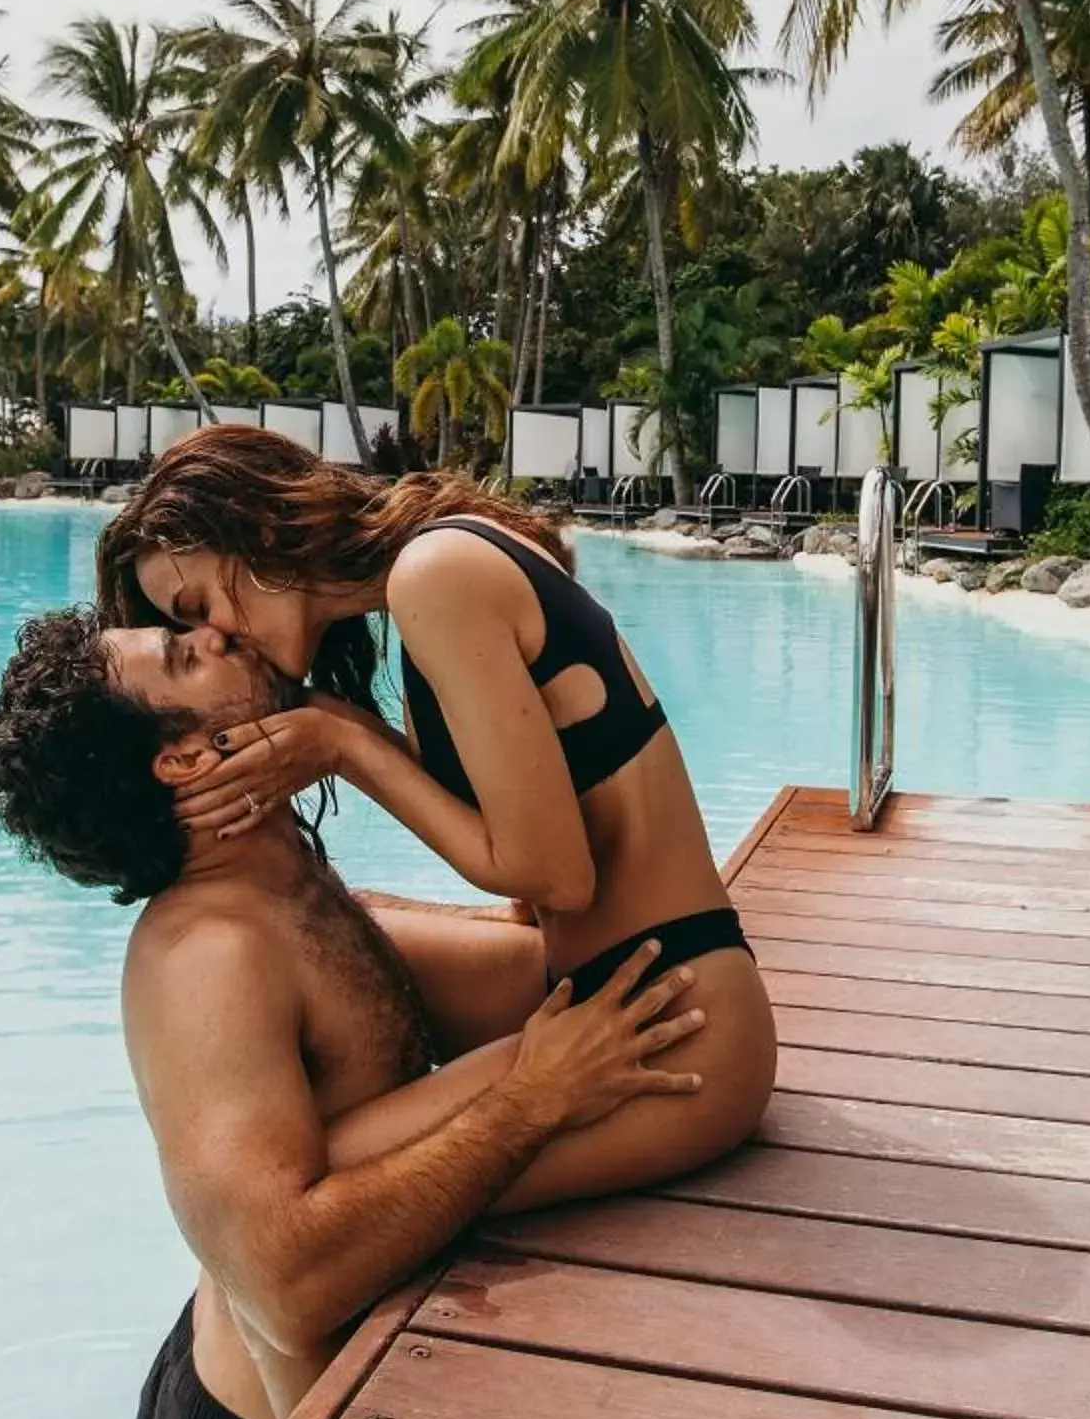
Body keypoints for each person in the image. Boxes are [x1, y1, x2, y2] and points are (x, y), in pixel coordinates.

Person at [0, 608, 714, 1419]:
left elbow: (556, 962)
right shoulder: (205, 958)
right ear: (183, 760)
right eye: (181, 655)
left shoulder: (295, 899)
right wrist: (532, 1099)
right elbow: (284, 1284)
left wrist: (394, 751)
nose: (213, 632)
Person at [96, 426, 777, 1203]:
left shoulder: (436, 577)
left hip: (680, 1029)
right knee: (331, 959)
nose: (214, 633)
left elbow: (557, 876)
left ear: (256, 531)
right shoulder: (431, 569)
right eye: (188, 633)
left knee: (318, 1179)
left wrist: (345, 747)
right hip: (624, 983)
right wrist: (339, 731)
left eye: (197, 604)